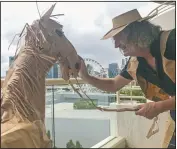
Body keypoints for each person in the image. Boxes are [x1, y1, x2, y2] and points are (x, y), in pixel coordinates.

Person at [78, 9, 175, 148]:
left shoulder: (172, 41)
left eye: (119, 36)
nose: (116, 45)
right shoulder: (135, 63)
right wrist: (85, 76)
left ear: (137, 31)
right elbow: (113, 85)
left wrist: (159, 106)